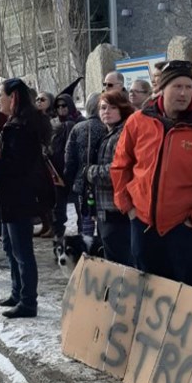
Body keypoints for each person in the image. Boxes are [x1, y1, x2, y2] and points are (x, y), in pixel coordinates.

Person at [112, 61, 192, 288]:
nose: (184, 93)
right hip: (143, 225)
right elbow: (121, 165)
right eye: (177, 86)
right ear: (162, 89)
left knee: (188, 297)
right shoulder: (138, 122)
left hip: (184, 229)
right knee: (148, 294)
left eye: (188, 87)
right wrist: (127, 206)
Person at [0, 78, 51, 318]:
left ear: (13, 98)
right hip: (9, 196)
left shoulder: (21, 127)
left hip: (19, 197)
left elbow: (13, 165)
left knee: (22, 251)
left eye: (1, 95)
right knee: (10, 246)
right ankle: (17, 292)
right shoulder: (16, 123)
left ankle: (28, 301)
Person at [86, 90, 135, 265]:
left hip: (117, 211)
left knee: (120, 263)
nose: (106, 111)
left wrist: (91, 172)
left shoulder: (122, 134)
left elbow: (118, 170)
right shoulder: (108, 134)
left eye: (112, 107)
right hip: (104, 209)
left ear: (122, 109)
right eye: (103, 107)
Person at [64, 93, 107, 236]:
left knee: (85, 220)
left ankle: (86, 252)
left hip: (81, 182)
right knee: (103, 222)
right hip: (103, 181)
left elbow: (69, 158)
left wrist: (69, 180)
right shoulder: (107, 128)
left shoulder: (78, 128)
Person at [49, 91, 84, 238]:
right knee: (59, 207)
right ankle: (58, 234)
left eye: (64, 105)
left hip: (75, 169)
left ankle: (83, 233)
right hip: (58, 170)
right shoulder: (53, 123)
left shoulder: (80, 121)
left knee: (79, 205)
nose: (62, 108)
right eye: (58, 106)